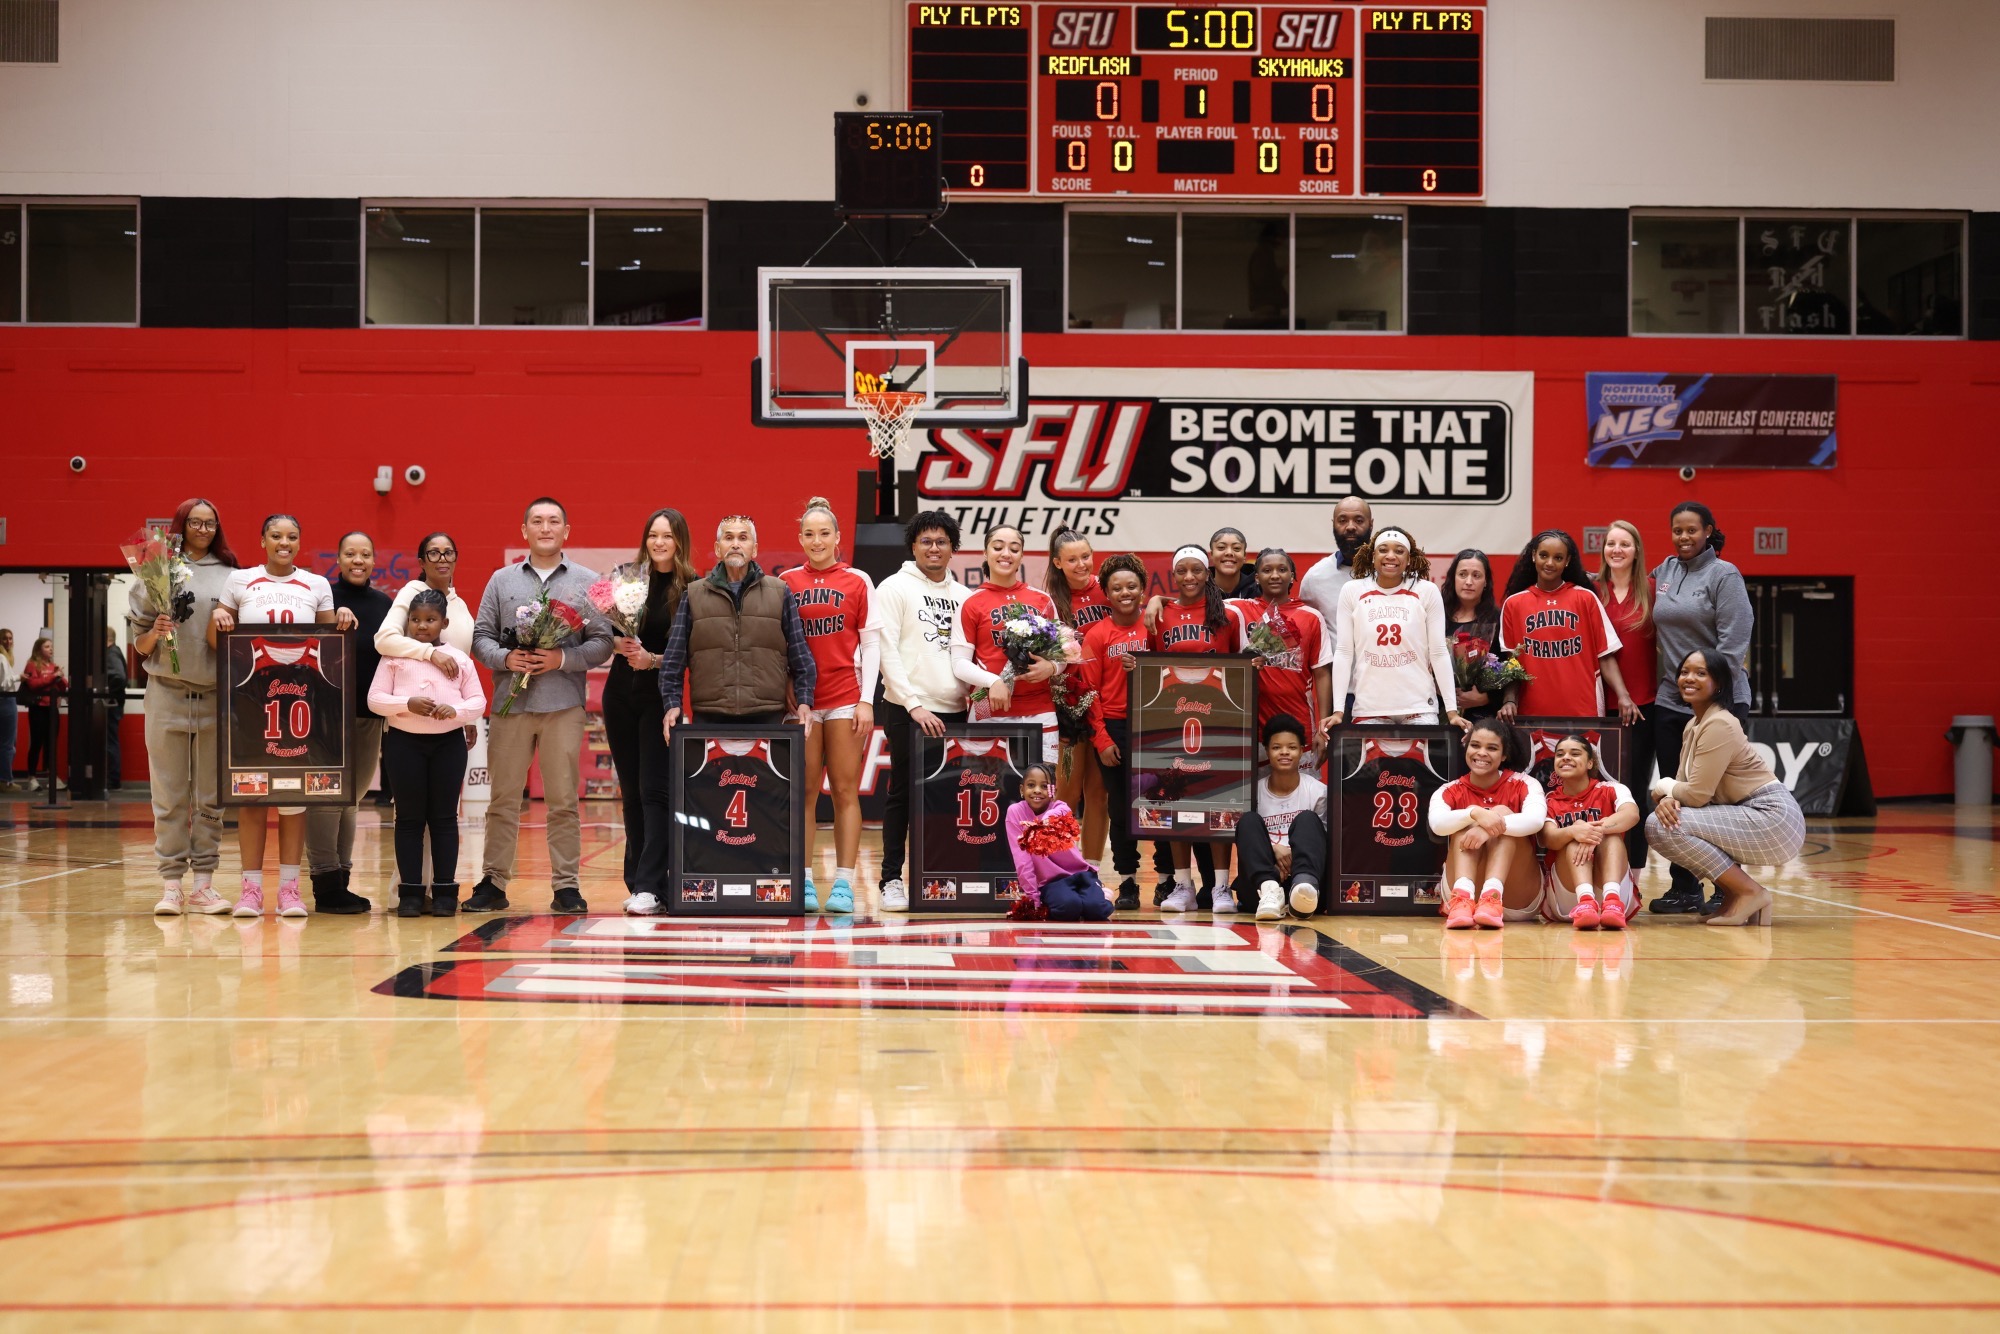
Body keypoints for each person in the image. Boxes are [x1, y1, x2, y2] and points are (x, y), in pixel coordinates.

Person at [467, 498, 613, 915]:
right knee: (502, 799)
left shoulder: (592, 581)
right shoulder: (500, 579)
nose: (545, 528)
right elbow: (481, 637)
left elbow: (603, 642)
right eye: (537, 521)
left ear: (567, 530)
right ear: (524, 530)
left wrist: (561, 659)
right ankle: (493, 883)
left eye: (553, 521)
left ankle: (567, 886)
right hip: (511, 706)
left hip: (563, 705)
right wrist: (506, 659)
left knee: (564, 800)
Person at [210, 514, 357, 917]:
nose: (284, 542)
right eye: (276, 536)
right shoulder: (240, 581)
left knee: (294, 797)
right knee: (252, 798)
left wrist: (343, 619)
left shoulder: (317, 584)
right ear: (263, 541)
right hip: (250, 701)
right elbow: (215, 643)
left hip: (300, 702)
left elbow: (332, 650)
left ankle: (289, 891)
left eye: (292, 536)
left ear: (300, 542)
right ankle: (250, 891)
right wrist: (219, 621)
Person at [132, 498, 239, 915]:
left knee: (210, 796)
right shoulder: (156, 570)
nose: (203, 528)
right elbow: (139, 645)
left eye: (210, 522)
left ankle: (205, 884)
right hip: (166, 691)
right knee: (170, 793)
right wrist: (157, 633)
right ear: (181, 525)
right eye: (195, 521)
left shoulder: (233, 575)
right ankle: (172, 884)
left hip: (215, 695)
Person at [1648, 502, 1754, 915]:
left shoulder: (1724, 575)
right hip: (1671, 701)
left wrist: (1708, 695)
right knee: (1674, 793)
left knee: (1718, 797)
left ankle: (1729, 888)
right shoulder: (1665, 572)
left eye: (1692, 530)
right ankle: (1684, 887)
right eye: (1677, 530)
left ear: (1708, 530)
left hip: (1719, 703)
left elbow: (1733, 643)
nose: (1684, 537)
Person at [1646, 648, 1802, 927]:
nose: (1689, 678)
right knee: (1664, 819)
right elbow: (1684, 789)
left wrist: (1662, 787)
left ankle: (1750, 892)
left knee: (1660, 826)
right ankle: (1735, 896)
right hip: (1750, 815)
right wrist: (1668, 797)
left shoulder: (1720, 723)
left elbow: (1695, 794)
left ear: (1719, 684)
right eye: (1684, 672)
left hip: (1773, 817)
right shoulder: (1694, 724)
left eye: (1700, 673)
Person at [782, 498, 878, 915]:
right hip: (801, 704)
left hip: (843, 698)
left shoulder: (858, 580)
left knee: (843, 791)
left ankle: (843, 883)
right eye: (809, 533)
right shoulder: (785, 581)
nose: (817, 540)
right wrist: (788, 686)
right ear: (800, 538)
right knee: (802, 793)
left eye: (825, 533)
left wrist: (866, 700)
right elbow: (780, 644)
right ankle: (801, 881)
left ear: (838, 538)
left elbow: (872, 643)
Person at [873, 511, 972, 913]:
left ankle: (940, 875)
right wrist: (913, 704)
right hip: (908, 710)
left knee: (949, 797)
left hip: (955, 711)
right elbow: (885, 650)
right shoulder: (894, 587)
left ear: (953, 548)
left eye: (942, 541)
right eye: (926, 541)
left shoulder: (966, 597)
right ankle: (891, 879)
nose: (934, 548)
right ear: (913, 547)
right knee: (902, 795)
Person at [369, 590, 485, 917]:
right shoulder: (395, 657)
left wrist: (457, 712)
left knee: (444, 819)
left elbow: (478, 701)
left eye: (430, 620)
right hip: (403, 744)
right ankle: (411, 894)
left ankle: (446, 891)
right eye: (416, 620)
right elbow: (375, 699)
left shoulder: (459, 659)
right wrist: (406, 704)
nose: (422, 626)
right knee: (409, 819)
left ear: (444, 623)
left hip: (448, 746)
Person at [602, 508, 694, 916]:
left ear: (680, 541)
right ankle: (639, 881)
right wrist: (617, 644)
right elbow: (603, 631)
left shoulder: (692, 586)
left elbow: (690, 652)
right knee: (631, 794)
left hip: (661, 698)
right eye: (653, 535)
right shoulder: (625, 578)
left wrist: (652, 660)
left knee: (655, 791)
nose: (659, 542)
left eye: (667, 536)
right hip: (620, 694)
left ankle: (654, 884)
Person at [659, 514, 817, 735]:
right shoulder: (693, 595)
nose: (735, 544)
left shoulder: (780, 592)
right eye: (728, 538)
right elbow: (673, 661)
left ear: (754, 549)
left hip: (768, 714)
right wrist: (672, 705)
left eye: (743, 538)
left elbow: (801, 656)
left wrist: (804, 701)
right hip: (709, 715)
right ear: (717, 548)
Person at [1151, 545, 1244, 913]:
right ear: (1173, 576)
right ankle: (1183, 885)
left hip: (1217, 717)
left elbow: (1238, 664)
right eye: (1182, 571)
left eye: (1196, 570)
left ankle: (1221, 887)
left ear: (1208, 574)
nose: (1189, 577)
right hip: (1172, 718)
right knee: (1176, 799)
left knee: (1218, 801)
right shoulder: (1160, 614)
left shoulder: (1228, 614)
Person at [303, 531, 391, 914]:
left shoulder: (385, 604)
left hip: (367, 716)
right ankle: (325, 885)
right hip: (323, 717)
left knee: (352, 800)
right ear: (337, 558)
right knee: (325, 799)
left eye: (365, 554)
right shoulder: (321, 600)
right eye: (350, 553)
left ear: (374, 561)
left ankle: (341, 881)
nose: (358, 560)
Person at [1325, 528, 1465, 731]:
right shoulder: (1352, 591)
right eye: (1383, 550)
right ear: (1373, 556)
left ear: (1409, 559)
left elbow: (1438, 652)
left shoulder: (1426, 591)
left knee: (1422, 764)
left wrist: (1452, 711)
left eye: (1399, 551)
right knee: (1372, 765)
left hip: (1419, 706)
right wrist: (1338, 710)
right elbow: (1344, 652)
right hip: (1369, 707)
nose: (1391, 556)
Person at [1498, 529, 1637, 724]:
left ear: (1567, 561)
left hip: (1583, 711)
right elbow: (1513, 664)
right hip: (1531, 715)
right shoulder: (1514, 604)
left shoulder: (1586, 599)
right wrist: (1509, 700)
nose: (1549, 563)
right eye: (1543, 555)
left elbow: (1605, 655)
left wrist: (1623, 695)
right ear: (1533, 556)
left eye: (1558, 557)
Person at [953, 526, 1062, 762]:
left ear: (1022, 555)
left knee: (1044, 791)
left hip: (1040, 709)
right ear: (985, 552)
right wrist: (993, 682)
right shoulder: (970, 603)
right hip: (988, 710)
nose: (1006, 554)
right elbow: (959, 664)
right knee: (986, 791)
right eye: (998, 547)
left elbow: (1062, 652)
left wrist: (1052, 667)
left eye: (1014, 548)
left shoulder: (1042, 599)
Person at [1079, 554, 1149, 910]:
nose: (1125, 592)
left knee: (1158, 806)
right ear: (1105, 593)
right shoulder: (1097, 635)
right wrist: (1102, 739)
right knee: (1121, 809)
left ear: (1142, 589)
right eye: (1117, 587)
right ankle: (1128, 882)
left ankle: (1169, 880)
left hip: (1154, 727)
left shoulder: (1157, 627)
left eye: (1131, 586)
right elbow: (1089, 693)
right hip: (1115, 729)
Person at [1428, 720, 1546, 930]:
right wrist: (1475, 813)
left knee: (1502, 817)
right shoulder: (1449, 789)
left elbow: (1535, 821)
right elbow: (1437, 825)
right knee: (1468, 820)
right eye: (1475, 745)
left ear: (1504, 755)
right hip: (1461, 895)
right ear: (1466, 748)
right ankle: (1462, 898)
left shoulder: (1525, 783)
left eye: (1491, 748)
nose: (1481, 753)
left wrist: (1486, 826)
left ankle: (1492, 897)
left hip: (1517, 897)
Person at [1228, 548, 1335, 758]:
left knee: (1301, 789)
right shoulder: (1239, 610)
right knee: (1257, 791)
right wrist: (1160, 600)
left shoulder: (1311, 617)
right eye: (1267, 570)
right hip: (1252, 729)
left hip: (1300, 726)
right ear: (1257, 578)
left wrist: (1324, 729)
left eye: (1282, 569)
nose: (1275, 575)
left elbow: (1322, 674)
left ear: (1292, 576)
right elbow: (1196, 605)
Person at [1044, 529, 1110, 866]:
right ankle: (1061, 866)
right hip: (1067, 702)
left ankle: (1094, 870)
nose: (1081, 564)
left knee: (1098, 793)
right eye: (1072, 559)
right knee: (1066, 793)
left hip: (1106, 701)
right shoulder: (1049, 599)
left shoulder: (1108, 588)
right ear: (1058, 563)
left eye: (1085, 556)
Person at [1594, 520, 1657, 864]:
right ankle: (1602, 866)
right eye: (1611, 543)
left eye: (1625, 544)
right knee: (1600, 792)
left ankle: (1633, 871)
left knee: (1635, 793)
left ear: (1636, 551)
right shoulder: (1592, 591)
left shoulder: (1652, 589)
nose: (1617, 550)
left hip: (1643, 707)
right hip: (1601, 708)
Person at [1540, 733, 1640, 930]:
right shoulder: (1549, 800)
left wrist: (1592, 832)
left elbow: (1631, 815)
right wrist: (1576, 832)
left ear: (1590, 763)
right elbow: (1547, 838)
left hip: (1612, 887)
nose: (1566, 758)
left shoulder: (1611, 789)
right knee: (1573, 836)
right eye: (1560, 754)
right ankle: (1585, 901)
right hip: (1568, 895)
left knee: (1610, 837)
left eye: (1575, 753)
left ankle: (1612, 901)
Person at [1234, 713, 1328, 920]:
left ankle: (1304, 886)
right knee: (1248, 820)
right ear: (1266, 751)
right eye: (1277, 747)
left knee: (1307, 819)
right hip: (1260, 887)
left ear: (1302, 751)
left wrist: (1293, 855)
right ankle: (1270, 891)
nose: (1284, 752)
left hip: (1306, 881)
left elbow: (1321, 844)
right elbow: (1248, 841)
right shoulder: (1253, 793)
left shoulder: (1318, 791)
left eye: (1292, 747)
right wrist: (1273, 849)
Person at [1005, 763, 1113, 922]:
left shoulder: (1059, 807)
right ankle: (1081, 899)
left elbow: (1065, 810)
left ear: (1053, 791)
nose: (1037, 790)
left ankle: (1098, 894)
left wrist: (1047, 820)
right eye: (1031, 785)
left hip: (1082, 874)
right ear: (1022, 790)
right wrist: (1033, 899)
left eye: (1044, 786)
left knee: (1098, 910)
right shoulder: (1015, 813)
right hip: (1053, 881)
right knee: (1068, 909)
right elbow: (1022, 861)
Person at [1298, 496, 1374, 650]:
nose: (1350, 527)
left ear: (1371, 524)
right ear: (1333, 525)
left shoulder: (1391, 573)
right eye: (1342, 520)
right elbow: (1305, 633)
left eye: (1359, 520)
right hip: (1335, 672)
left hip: (1385, 671)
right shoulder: (1315, 578)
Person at [1440, 549, 1500, 722]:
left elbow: (1508, 667)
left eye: (1476, 575)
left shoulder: (1498, 619)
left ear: (1486, 582)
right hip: (1439, 711)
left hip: (1482, 716)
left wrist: (1487, 697)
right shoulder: (1436, 615)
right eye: (1462, 574)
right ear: (1453, 578)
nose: (1468, 582)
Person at [20, 637, 65, 786]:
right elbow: (33, 685)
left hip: (52, 708)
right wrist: (53, 677)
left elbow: (63, 686)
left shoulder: (53, 666)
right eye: (47, 647)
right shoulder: (31, 665)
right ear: (39, 649)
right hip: (38, 708)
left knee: (51, 743)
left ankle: (53, 777)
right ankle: (32, 777)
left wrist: (60, 677)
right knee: (37, 743)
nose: (51, 649)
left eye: (51, 646)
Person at [103, 626, 126, 789]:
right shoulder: (114, 653)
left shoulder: (111, 654)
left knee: (110, 742)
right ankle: (112, 778)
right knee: (110, 741)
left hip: (111, 706)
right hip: (113, 704)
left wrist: (106, 695)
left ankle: (113, 779)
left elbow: (118, 677)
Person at [0, 629, 19, 794]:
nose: (8, 641)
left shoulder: (5, 658)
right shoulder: (1, 658)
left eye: (10, 638)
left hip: (5, 701)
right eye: (5, 638)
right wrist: (19, 677)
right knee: (8, 744)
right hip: (5, 700)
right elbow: (4, 684)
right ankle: (6, 781)